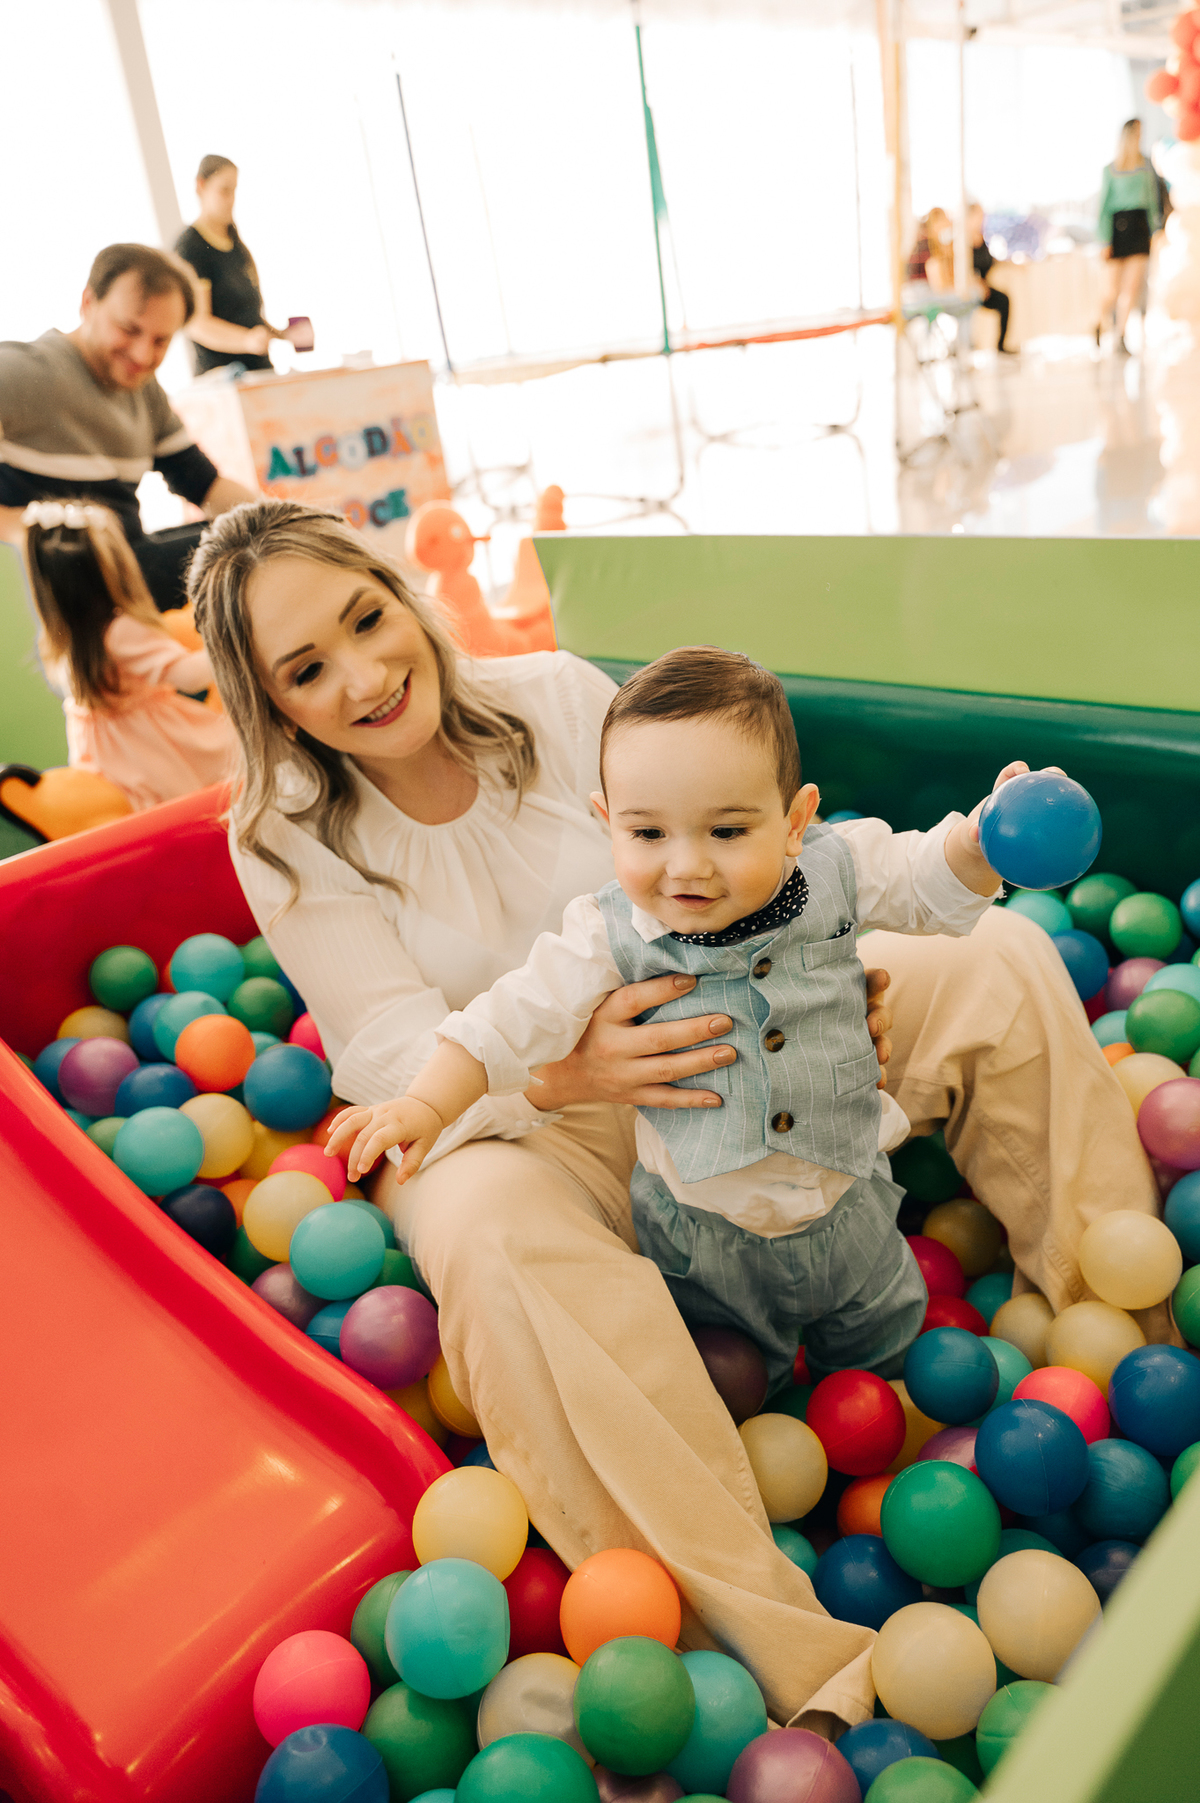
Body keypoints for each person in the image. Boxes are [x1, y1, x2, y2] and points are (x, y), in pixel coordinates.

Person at [190, 496, 1163, 1732]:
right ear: (272, 704)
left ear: (402, 595)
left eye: (367, 619)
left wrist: (825, 990)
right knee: (487, 1236)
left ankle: (1120, 1339)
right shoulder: (281, 834)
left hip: (736, 1046)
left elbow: (749, 852)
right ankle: (793, 1675)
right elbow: (389, 1057)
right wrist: (573, 1074)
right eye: (308, 670)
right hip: (519, 1118)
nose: (367, 676)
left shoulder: (555, 697)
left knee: (1003, 958)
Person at [327, 646, 1019, 1391]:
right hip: (701, 1233)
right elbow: (507, 1019)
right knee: (731, 1377)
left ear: (795, 820)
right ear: (608, 822)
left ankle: (887, 1398)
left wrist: (983, 839)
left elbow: (924, 875)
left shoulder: (837, 866)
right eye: (649, 834)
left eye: (727, 832)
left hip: (848, 1196)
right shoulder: (604, 933)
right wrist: (427, 1103)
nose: (686, 865)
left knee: (886, 1345)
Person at [0, 244, 258, 609]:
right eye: (128, 329)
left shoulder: (146, 392)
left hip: (130, 560)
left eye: (161, 341)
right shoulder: (17, 372)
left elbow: (205, 485)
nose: (142, 355)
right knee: (247, 554)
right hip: (69, 583)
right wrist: (27, 532)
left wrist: (288, 520)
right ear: (88, 303)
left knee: (256, 535)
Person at [23, 499, 235, 810]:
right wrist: (234, 638)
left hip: (106, 757)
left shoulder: (64, 643)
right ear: (114, 567)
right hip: (151, 749)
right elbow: (189, 677)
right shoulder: (120, 631)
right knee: (230, 769)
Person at [175, 156, 290, 377]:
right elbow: (197, 323)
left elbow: (247, 314)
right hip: (225, 376)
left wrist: (282, 334)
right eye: (224, 190)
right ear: (201, 186)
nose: (231, 200)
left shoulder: (237, 244)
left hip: (260, 371)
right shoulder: (191, 248)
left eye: (234, 191)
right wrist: (246, 341)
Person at [1097, 119, 1162, 354]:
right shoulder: (1110, 170)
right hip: (1117, 229)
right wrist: (1105, 240)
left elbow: (1153, 202)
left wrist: (1155, 230)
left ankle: (1121, 336)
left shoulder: (1146, 166)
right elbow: (1104, 208)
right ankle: (1099, 324)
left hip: (1140, 229)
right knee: (1111, 290)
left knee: (1131, 289)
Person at [968, 203, 1014, 354]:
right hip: (971, 289)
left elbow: (990, 260)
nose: (983, 219)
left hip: (984, 288)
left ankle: (1001, 346)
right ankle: (969, 347)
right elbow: (965, 269)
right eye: (980, 216)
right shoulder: (963, 241)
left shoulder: (982, 238)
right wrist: (978, 283)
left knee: (1004, 300)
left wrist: (1011, 262)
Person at [905, 207, 954, 291]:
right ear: (936, 223)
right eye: (944, 220)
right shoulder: (927, 246)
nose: (948, 223)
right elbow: (939, 286)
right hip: (920, 290)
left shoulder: (928, 242)